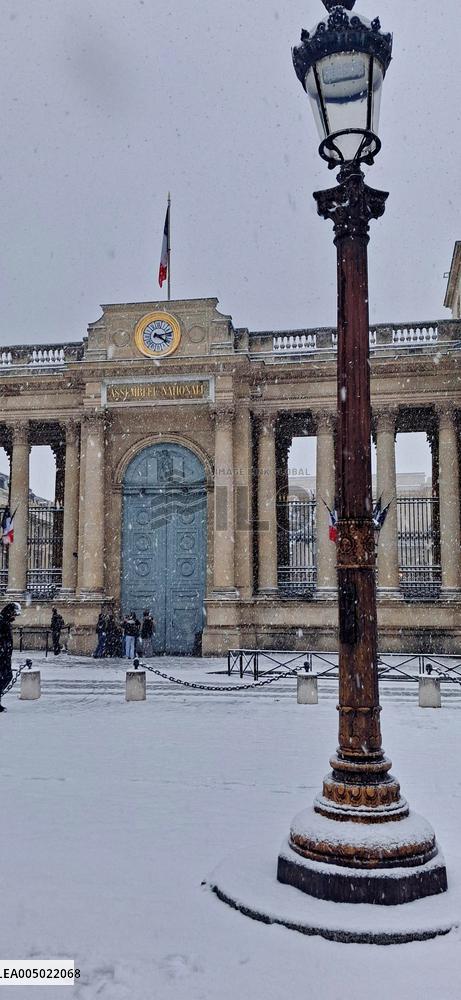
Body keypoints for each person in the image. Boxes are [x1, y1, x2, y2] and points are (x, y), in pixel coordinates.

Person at [0, 602, 21, 712]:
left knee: (6, 677)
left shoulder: (5, 622)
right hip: (2, 657)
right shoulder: (2, 622)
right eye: (14, 614)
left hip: (4, 657)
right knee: (5, 677)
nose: (14, 617)